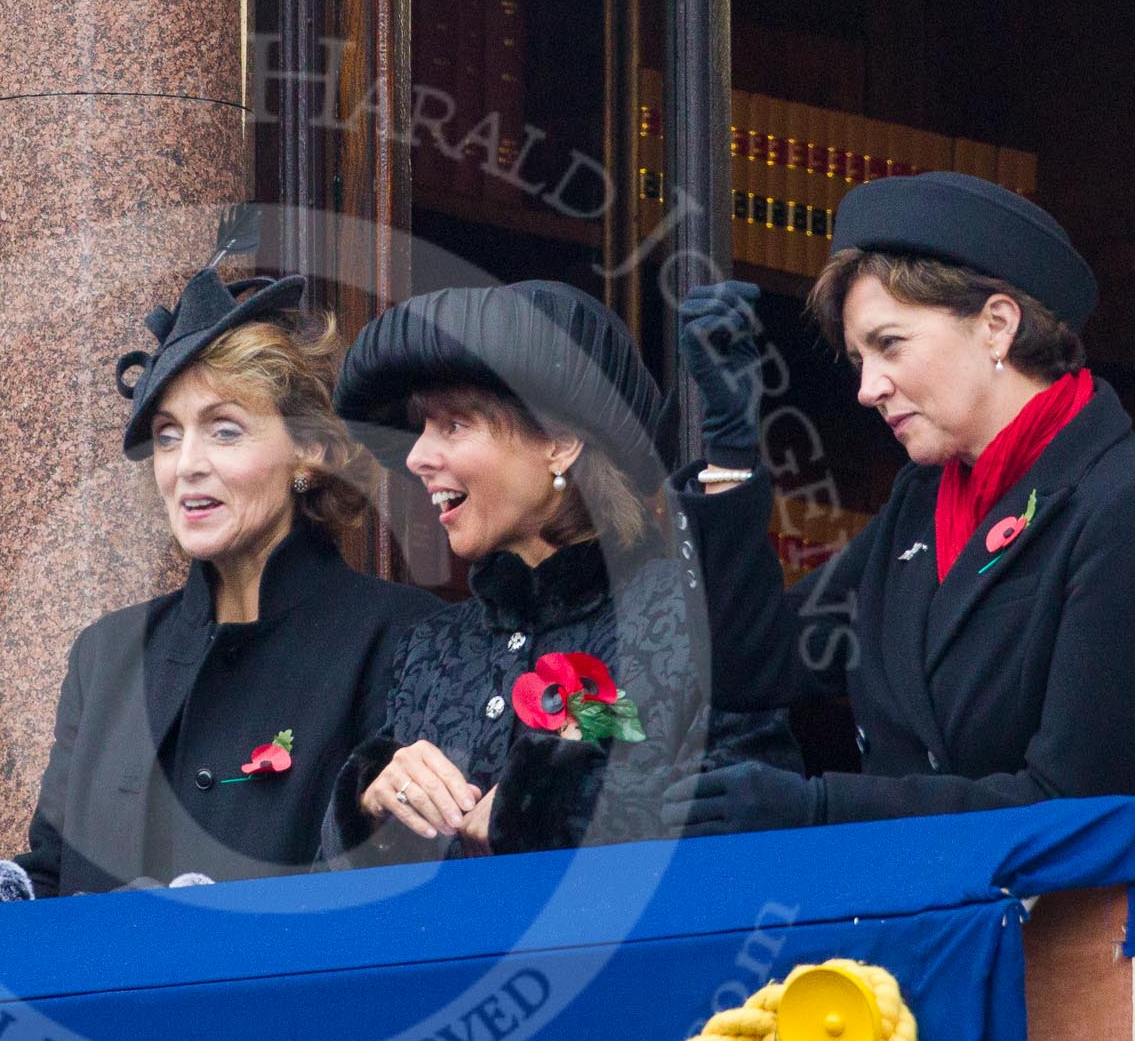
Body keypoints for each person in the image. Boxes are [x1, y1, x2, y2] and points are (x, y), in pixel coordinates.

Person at [0, 213, 440, 906]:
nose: (188, 466)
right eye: (168, 436)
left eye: (225, 430)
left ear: (313, 452)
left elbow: (391, 883)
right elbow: (61, 875)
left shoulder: (400, 637)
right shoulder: (108, 655)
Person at [663, 171, 1135, 834]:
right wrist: (730, 449)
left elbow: (1078, 806)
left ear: (997, 326)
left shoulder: (1127, 508)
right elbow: (749, 666)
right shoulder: (920, 505)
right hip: (908, 923)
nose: (868, 388)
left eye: (889, 344)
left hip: (1054, 932)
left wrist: (823, 809)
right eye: (858, 358)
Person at [319, 279, 799, 864]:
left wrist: (543, 805)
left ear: (559, 442)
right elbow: (341, 912)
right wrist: (374, 804)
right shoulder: (434, 649)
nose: (417, 456)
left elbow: (755, 827)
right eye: (421, 428)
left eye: (453, 425)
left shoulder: (685, 611)